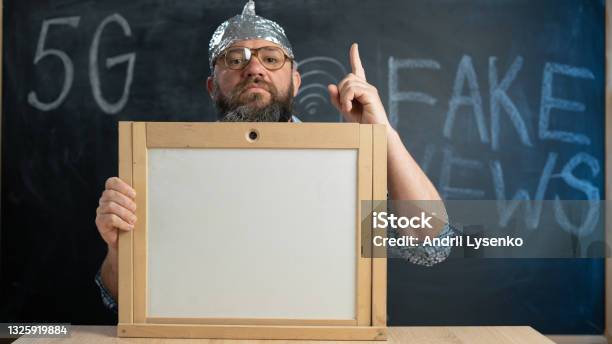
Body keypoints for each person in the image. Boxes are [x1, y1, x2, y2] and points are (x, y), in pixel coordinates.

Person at [94, 0, 454, 314]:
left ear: (296, 82)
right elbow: (121, 301)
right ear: (212, 86)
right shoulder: (163, 167)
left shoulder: (343, 166)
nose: (254, 69)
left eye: (270, 58)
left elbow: (433, 246)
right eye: (235, 59)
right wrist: (117, 247)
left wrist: (382, 134)